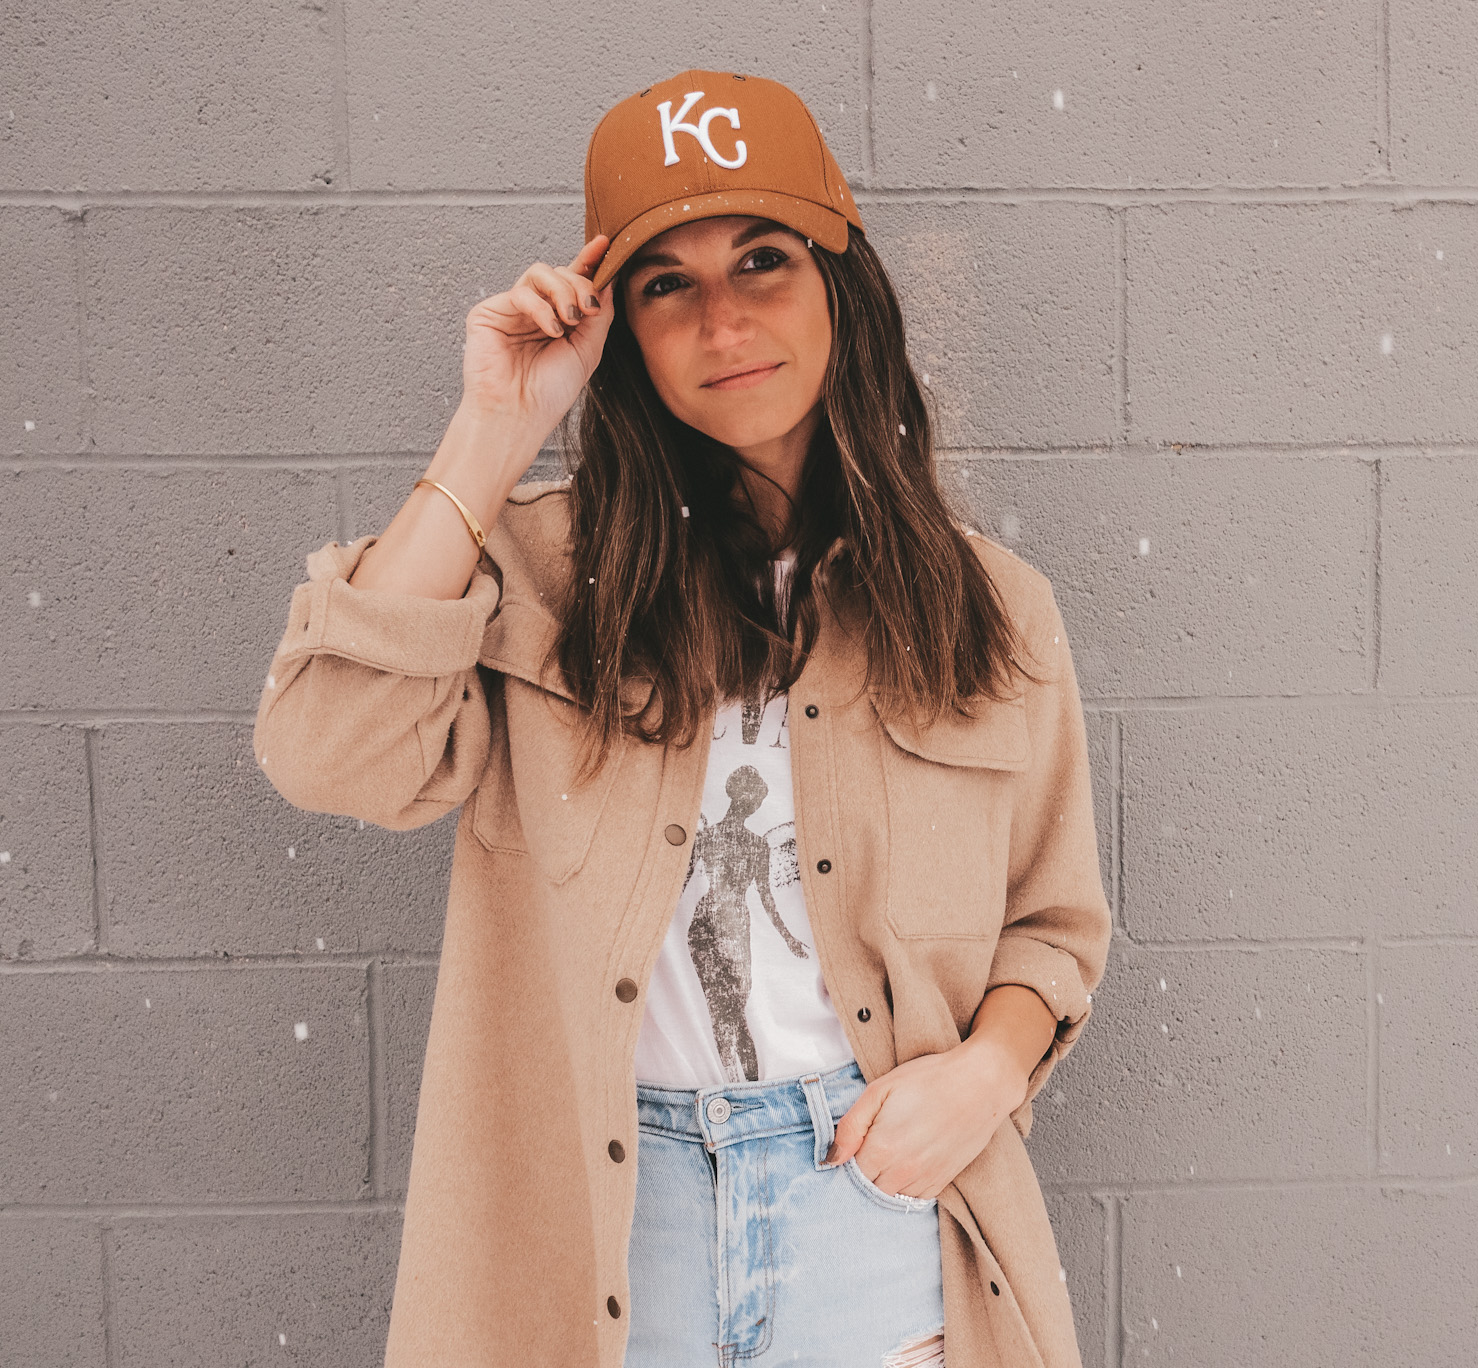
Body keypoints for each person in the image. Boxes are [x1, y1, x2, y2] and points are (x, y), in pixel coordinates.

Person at [252, 68, 1111, 1368]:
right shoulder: (533, 581)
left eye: (764, 259)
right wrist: (494, 428)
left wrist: (983, 1080)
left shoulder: (992, 609)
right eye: (668, 284)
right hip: (596, 1227)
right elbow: (326, 751)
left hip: (875, 1216)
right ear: (624, 327)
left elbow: (1054, 927)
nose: (724, 321)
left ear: (842, 284)